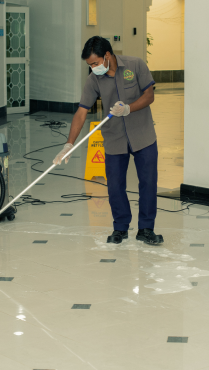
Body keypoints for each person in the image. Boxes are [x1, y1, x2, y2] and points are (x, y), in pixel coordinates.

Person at [54, 36, 163, 245]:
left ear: (107, 56)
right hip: (114, 138)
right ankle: (120, 227)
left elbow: (149, 95)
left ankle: (146, 228)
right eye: (89, 65)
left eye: (95, 63)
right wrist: (69, 144)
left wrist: (129, 108)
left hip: (143, 135)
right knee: (114, 186)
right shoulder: (94, 79)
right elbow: (81, 112)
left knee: (148, 183)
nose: (93, 68)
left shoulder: (135, 65)